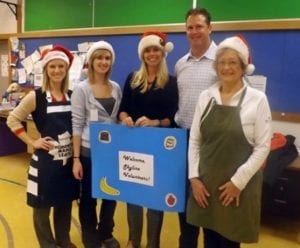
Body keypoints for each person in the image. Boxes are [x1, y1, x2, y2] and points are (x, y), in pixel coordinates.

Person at [186, 35, 272, 248]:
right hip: (206, 186)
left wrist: (237, 183)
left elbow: (262, 147)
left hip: (237, 188)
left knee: (230, 241)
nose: (226, 68)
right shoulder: (207, 96)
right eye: (222, 62)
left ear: (243, 66)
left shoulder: (257, 99)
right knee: (210, 239)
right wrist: (194, 178)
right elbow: (195, 140)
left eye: (232, 62)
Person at [6, 45, 79, 248]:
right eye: (52, 66)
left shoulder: (74, 96)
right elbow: (13, 119)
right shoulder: (35, 97)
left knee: (64, 204)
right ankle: (47, 244)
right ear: (46, 69)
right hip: (45, 163)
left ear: (66, 69)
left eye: (60, 66)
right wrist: (32, 142)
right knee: (42, 207)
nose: (56, 70)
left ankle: (64, 241)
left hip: (67, 163)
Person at [118, 31, 178, 248]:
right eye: (148, 50)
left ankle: (153, 243)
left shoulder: (171, 82)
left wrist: (155, 122)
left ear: (163, 53)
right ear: (142, 54)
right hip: (133, 145)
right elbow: (122, 110)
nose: (152, 54)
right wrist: (125, 119)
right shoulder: (132, 79)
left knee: (154, 198)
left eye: (156, 50)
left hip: (158, 148)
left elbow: (173, 118)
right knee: (133, 195)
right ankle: (133, 240)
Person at [71, 41, 122, 248]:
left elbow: (117, 118)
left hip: (111, 153)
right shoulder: (82, 89)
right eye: (99, 58)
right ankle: (90, 236)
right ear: (91, 62)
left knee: (111, 195)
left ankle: (106, 232)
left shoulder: (116, 88)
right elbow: (77, 124)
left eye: (107, 58)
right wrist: (76, 159)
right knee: (89, 197)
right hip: (88, 152)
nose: (103, 62)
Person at [174, 7, 218, 248]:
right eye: (190, 27)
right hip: (183, 138)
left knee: (208, 202)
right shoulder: (181, 64)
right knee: (186, 202)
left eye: (199, 26)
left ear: (210, 28)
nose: (194, 32)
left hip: (211, 143)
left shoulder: (223, 60)